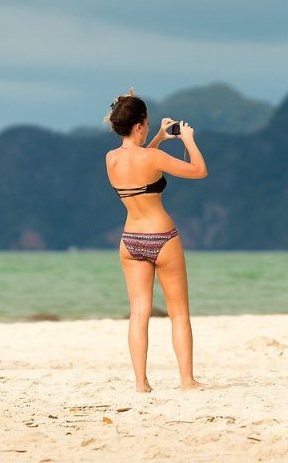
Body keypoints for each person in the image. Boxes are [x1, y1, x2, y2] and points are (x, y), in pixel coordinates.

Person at [105, 91, 208, 391]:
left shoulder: (111, 158)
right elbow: (200, 171)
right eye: (148, 125)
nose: (149, 128)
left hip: (131, 240)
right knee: (179, 313)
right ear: (139, 126)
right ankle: (187, 380)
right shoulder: (152, 157)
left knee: (139, 313)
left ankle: (141, 382)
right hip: (161, 238)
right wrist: (187, 139)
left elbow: (140, 165)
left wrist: (161, 137)